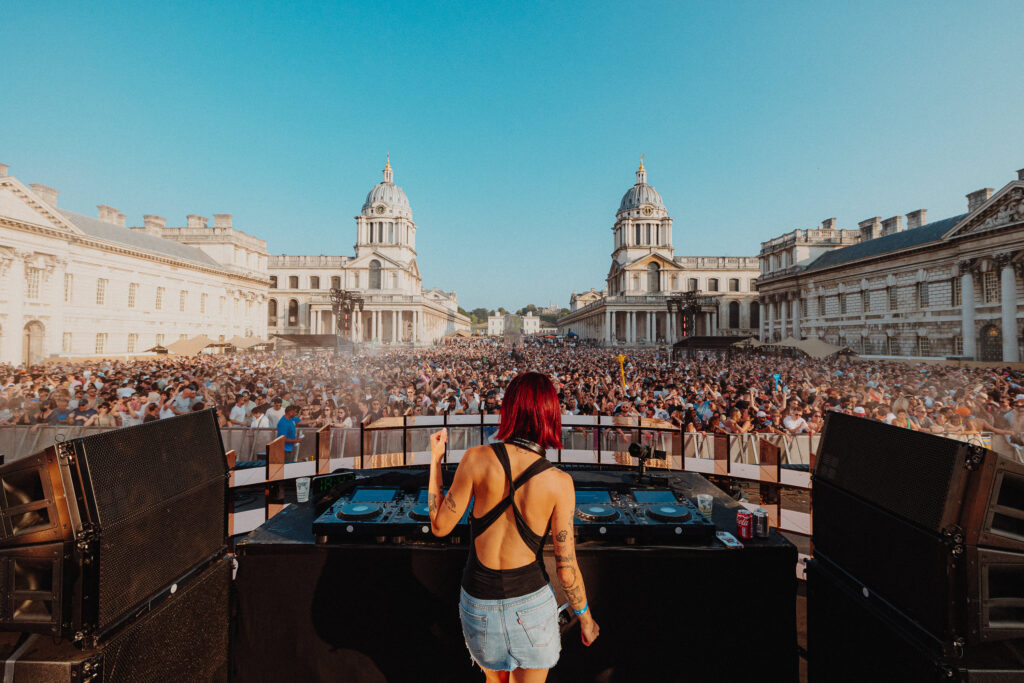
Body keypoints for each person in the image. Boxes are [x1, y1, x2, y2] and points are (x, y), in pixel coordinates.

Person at [428, 371, 598, 683]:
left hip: (478, 603)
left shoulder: (475, 458)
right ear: (550, 415)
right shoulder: (559, 483)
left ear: (509, 410)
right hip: (531, 606)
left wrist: (435, 460)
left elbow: (439, 526)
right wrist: (585, 617)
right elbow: (566, 567)